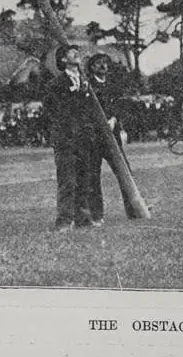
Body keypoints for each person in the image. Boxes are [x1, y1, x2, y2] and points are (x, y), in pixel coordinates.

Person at [42, 45, 96, 231]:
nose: (77, 53)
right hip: (66, 139)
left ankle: (83, 218)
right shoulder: (55, 84)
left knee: (84, 179)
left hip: (84, 138)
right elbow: (55, 110)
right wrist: (75, 93)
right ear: (63, 60)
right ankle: (64, 221)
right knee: (67, 181)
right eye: (72, 52)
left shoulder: (86, 82)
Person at [85, 53, 135, 223]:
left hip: (112, 137)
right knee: (93, 176)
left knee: (125, 173)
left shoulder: (113, 86)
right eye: (98, 63)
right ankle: (96, 215)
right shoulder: (88, 86)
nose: (103, 66)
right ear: (92, 67)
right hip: (94, 138)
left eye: (105, 63)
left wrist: (114, 120)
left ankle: (134, 209)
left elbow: (119, 106)